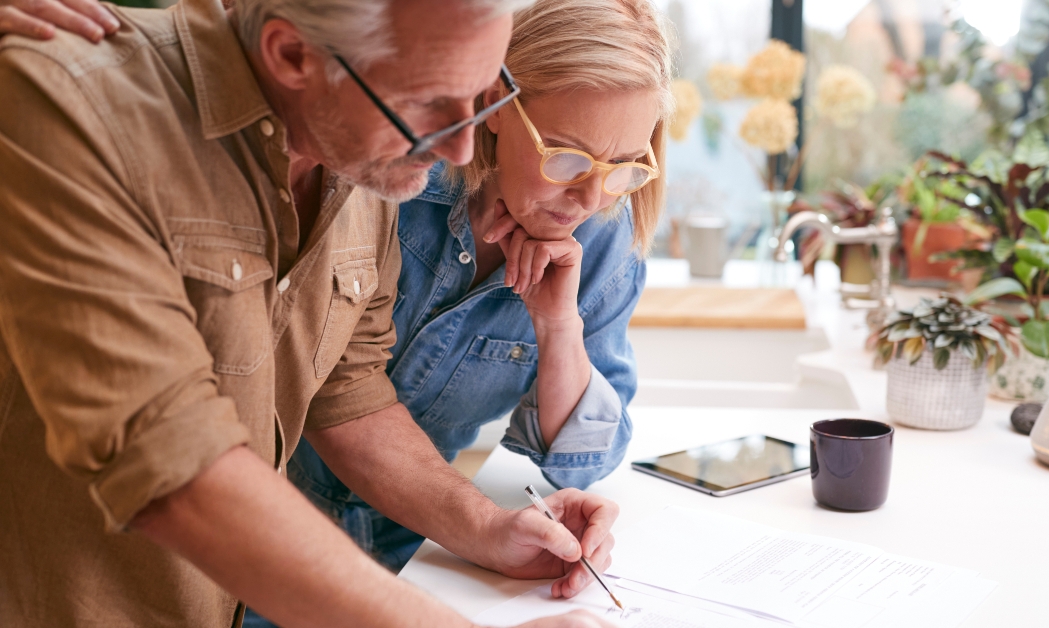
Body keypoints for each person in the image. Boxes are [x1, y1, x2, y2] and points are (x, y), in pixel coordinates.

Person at [0, 0, 618, 626]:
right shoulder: (73, 101)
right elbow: (165, 456)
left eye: (482, 96)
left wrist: (487, 528)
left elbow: (348, 388)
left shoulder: (358, 151)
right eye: (428, 102)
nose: (462, 150)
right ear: (291, 54)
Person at [284, 0, 673, 584]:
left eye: (623, 166)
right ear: (494, 101)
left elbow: (581, 462)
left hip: (422, 546)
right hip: (272, 520)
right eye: (566, 157)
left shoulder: (604, 244)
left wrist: (559, 326)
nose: (591, 198)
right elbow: (330, 387)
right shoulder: (393, 178)